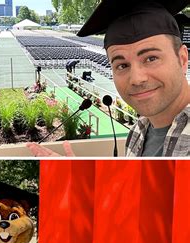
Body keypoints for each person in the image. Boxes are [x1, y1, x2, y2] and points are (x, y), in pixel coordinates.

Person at [28, 0, 190, 157]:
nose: (137, 79)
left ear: (182, 59)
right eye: (122, 65)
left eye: (151, 58)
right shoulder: (137, 132)